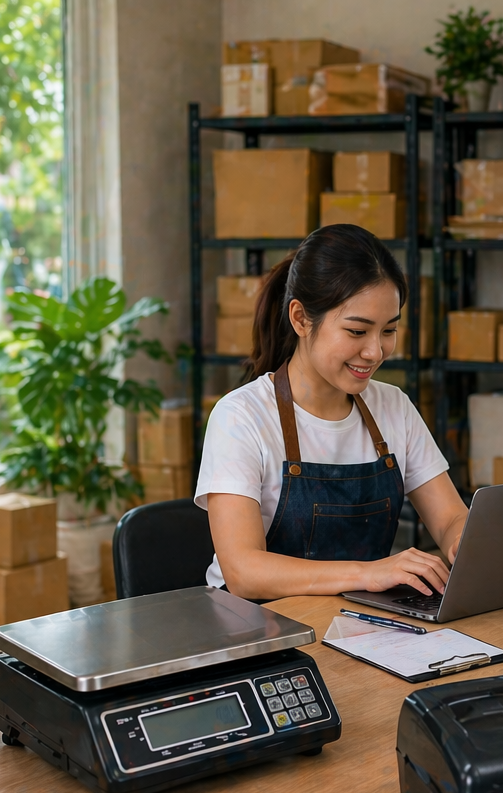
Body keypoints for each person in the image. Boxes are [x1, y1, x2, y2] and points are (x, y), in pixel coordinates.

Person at [196, 224, 465, 601]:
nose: (375, 352)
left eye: (389, 331)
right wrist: (369, 573)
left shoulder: (393, 407)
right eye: (357, 332)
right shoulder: (240, 417)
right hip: (257, 631)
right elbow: (244, 572)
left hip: (359, 622)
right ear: (301, 319)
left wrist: (463, 543)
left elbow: (452, 518)